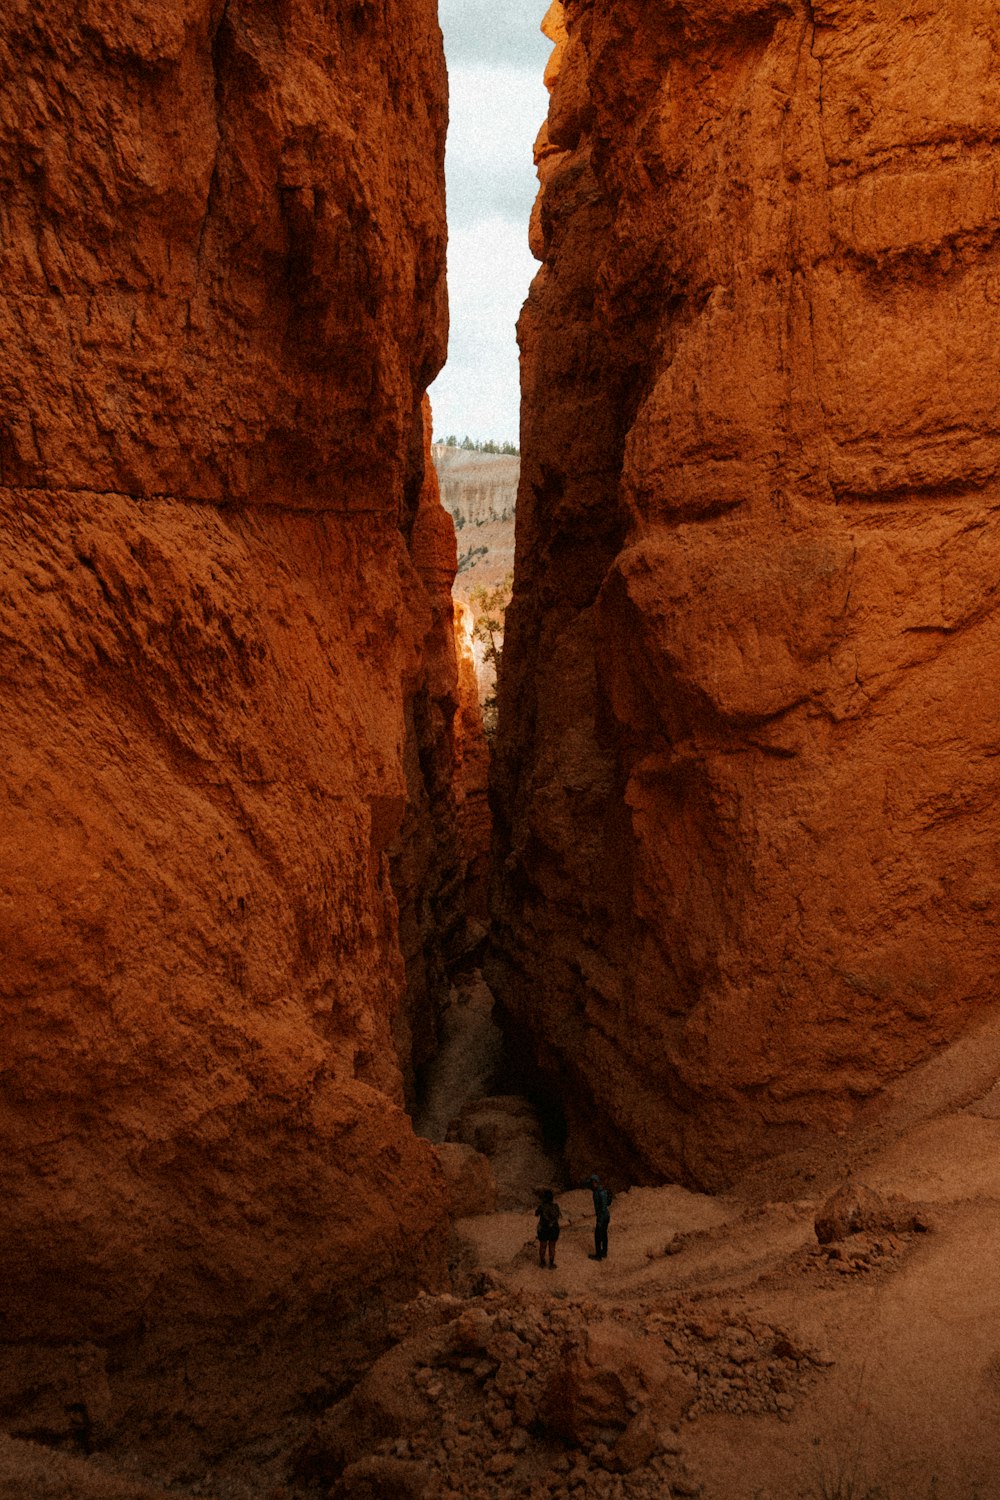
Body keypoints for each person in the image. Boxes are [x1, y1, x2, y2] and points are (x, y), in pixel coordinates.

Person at [535, 1189, 561, 1267]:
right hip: (554, 1229)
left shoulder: (542, 1206)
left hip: (544, 1228)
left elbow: (536, 1214)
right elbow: (558, 1216)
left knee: (543, 1245)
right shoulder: (556, 1206)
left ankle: (542, 1262)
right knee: (552, 1246)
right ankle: (551, 1263)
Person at [587, 1174, 611, 1260]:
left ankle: (598, 1255)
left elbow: (603, 1207)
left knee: (598, 1235)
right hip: (605, 1216)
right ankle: (604, 1252)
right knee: (604, 1234)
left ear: (595, 1182)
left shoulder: (600, 1192)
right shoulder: (600, 1191)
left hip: (603, 1216)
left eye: (592, 1183)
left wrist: (600, 1220)